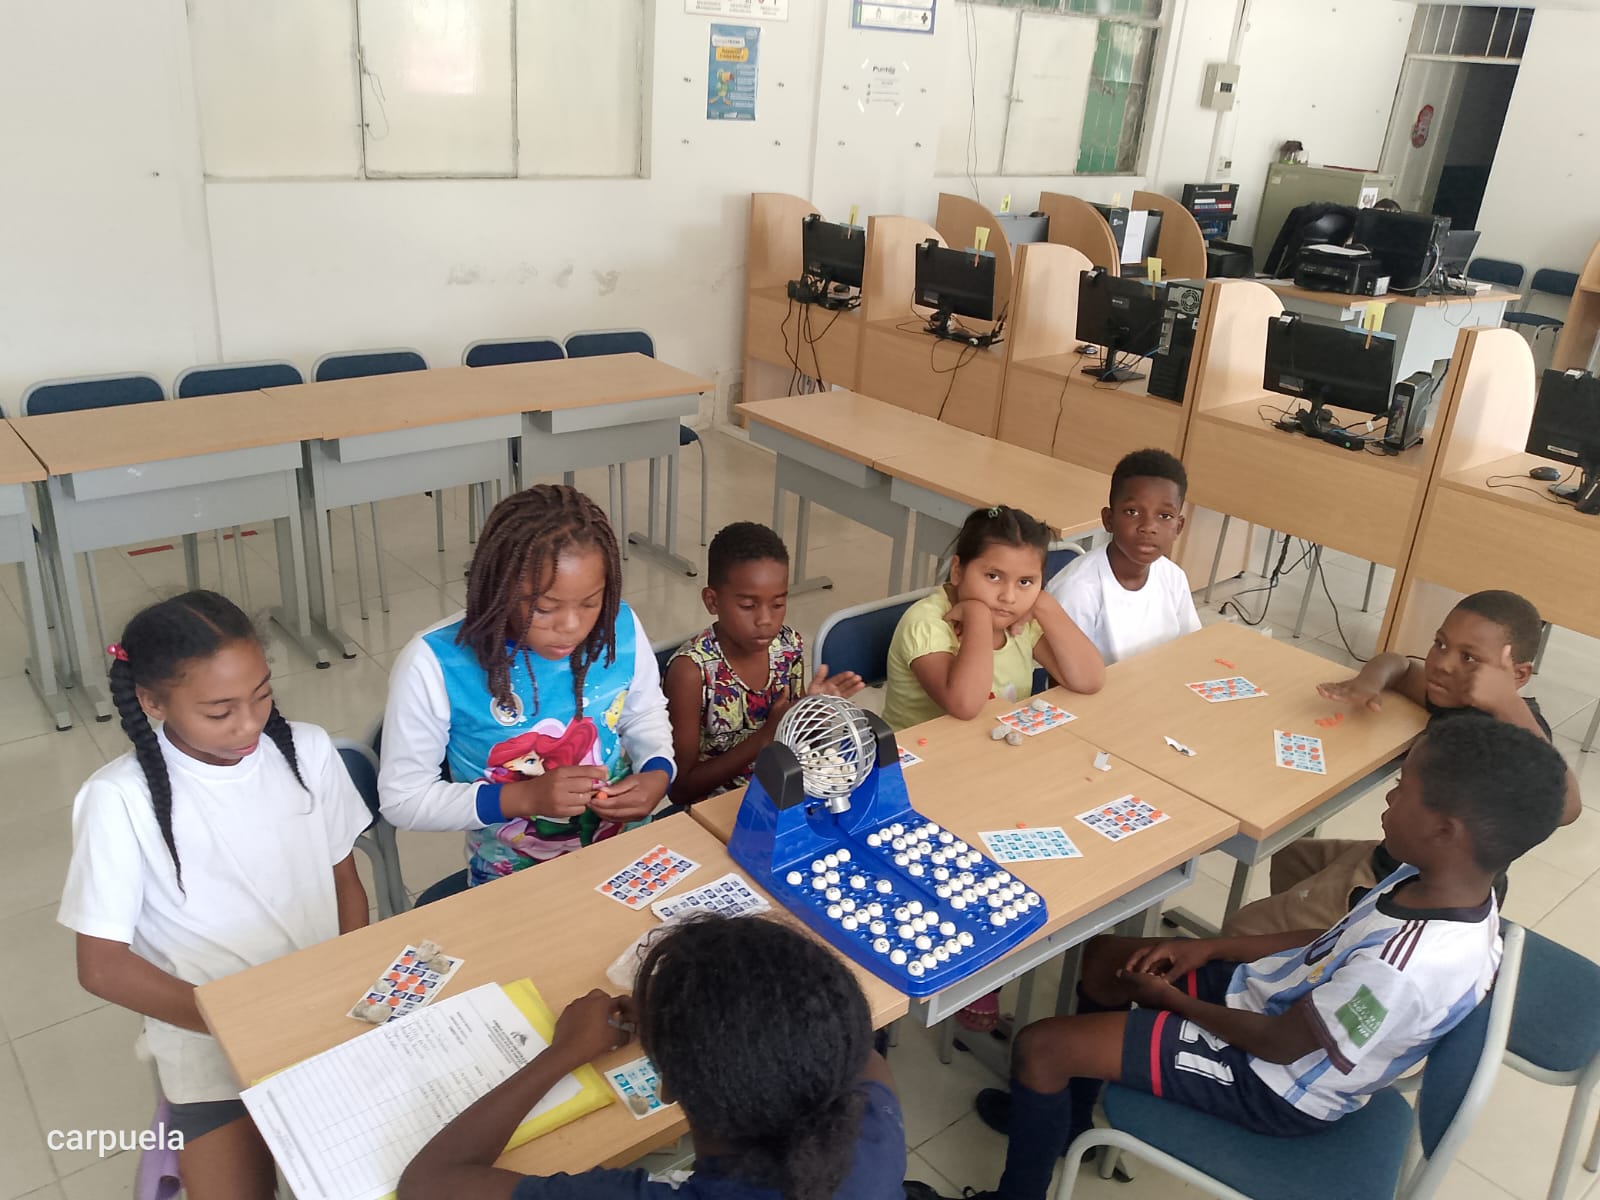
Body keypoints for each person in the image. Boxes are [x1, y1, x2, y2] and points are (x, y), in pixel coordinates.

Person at [934, 717, 1567, 1200]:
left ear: (1445, 830)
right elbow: (1327, 939)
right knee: (1106, 960)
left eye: (1404, 790)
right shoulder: (1432, 878)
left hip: (1272, 1083)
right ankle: (1066, 1121)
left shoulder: (1406, 969)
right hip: (1276, 1003)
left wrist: (1171, 1001)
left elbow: (1278, 1045)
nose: (1389, 798)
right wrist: (1206, 947)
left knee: (1041, 1048)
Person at [57, 591, 370, 1200]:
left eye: (262, 694)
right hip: (208, 1052)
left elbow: (345, 883)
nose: (249, 724)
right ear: (152, 702)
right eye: (220, 711)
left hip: (324, 1021)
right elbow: (102, 968)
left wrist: (349, 987)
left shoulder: (308, 751)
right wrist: (242, 1024)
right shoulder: (117, 799)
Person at [397, 915, 904, 1200]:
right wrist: (683, 1022)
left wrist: (564, 1053)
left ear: (668, 1086)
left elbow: (429, 1184)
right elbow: (851, 1045)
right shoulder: (872, 1128)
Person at [1224, 588, 1582, 937]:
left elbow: (1567, 806)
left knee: (1243, 929)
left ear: (1518, 676)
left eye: (1469, 658)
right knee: (1291, 857)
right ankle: (1308, 948)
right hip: (1398, 856)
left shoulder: (1515, 735)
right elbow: (1399, 664)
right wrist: (1368, 683)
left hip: (1412, 888)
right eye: (1440, 644)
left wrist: (1507, 704)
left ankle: (1316, 944)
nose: (1443, 664)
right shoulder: (1454, 694)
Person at [380, 485, 675, 885]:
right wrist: (522, 798)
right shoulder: (434, 663)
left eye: (590, 602)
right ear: (500, 588)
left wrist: (657, 769)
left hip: (627, 856)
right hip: (512, 879)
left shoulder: (619, 625)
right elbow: (404, 799)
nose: (571, 626)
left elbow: (643, 712)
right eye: (545, 608)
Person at [665, 522, 865, 806]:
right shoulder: (691, 672)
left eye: (778, 604)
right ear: (712, 601)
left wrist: (811, 714)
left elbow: (796, 745)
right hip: (714, 809)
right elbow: (680, 789)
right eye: (748, 606)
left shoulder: (788, 646)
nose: (765, 620)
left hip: (782, 794)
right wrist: (766, 736)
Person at [882, 504, 1104, 731]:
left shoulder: (1022, 618)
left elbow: (1089, 680)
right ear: (957, 571)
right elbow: (965, 705)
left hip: (993, 743)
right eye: (993, 577)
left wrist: (1045, 605)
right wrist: (978, 617)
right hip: (923, 751)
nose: (1008, 597)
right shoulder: (926, 624)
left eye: (1025, 582)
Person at [1044, 448, 1200, 665]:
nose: (1148, 527)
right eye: (1132, 512)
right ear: (1109, 520)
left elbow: (1191, 649)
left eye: (1164, 516)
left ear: (1178, 527)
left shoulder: (1174, 577)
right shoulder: (1077, 590)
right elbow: (1061, 676)